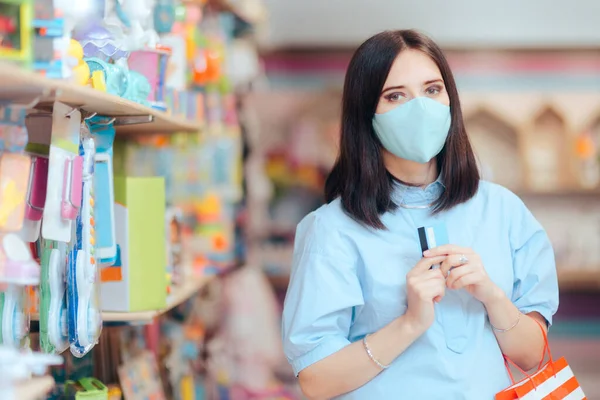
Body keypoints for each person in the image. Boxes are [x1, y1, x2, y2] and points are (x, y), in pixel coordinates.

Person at [281, 30, 559, 400]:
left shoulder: (503, 210)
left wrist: (492, 296)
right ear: (365, 114)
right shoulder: (330, 230)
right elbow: (316, 381)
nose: (420, 108)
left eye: (432, 90)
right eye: (395, 96)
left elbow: (532, 355)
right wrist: (410, 324)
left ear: (450, 100)